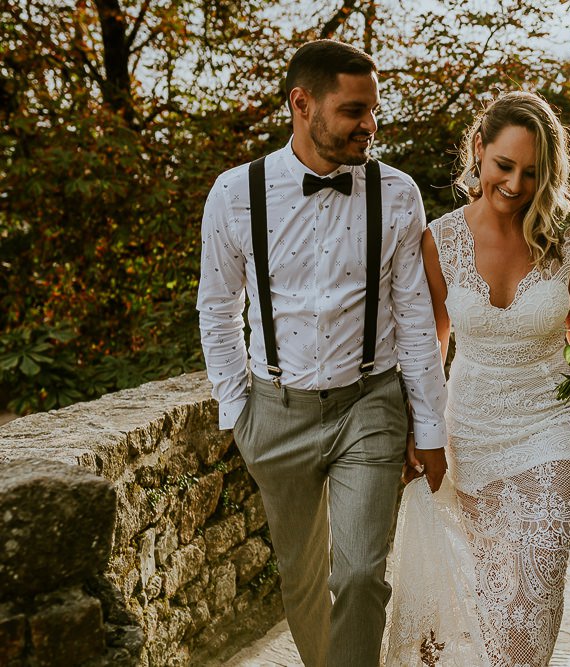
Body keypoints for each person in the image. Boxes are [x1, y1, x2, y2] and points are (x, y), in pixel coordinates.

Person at [196, 40, 447, 667]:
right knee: (302, 578)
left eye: (374, 111)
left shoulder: (398, 194)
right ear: (301, 104)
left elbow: (416, 317)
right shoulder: (234, 194)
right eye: (353, 111)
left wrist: (430, 425)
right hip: (274, 409)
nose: (370, 126)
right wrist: (238, 410)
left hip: (369, 402)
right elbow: (218, 307)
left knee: (361, 573)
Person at [387, 91, 570, 666]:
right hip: (474, 429)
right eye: (504, 166)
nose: (515, 185)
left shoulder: (569, 237)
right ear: (479, 150)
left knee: (536, 586)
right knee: (494, 590)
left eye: (532, 173)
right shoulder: (442, 240)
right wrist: (423, 428)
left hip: (554, 423)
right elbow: (431, 344)